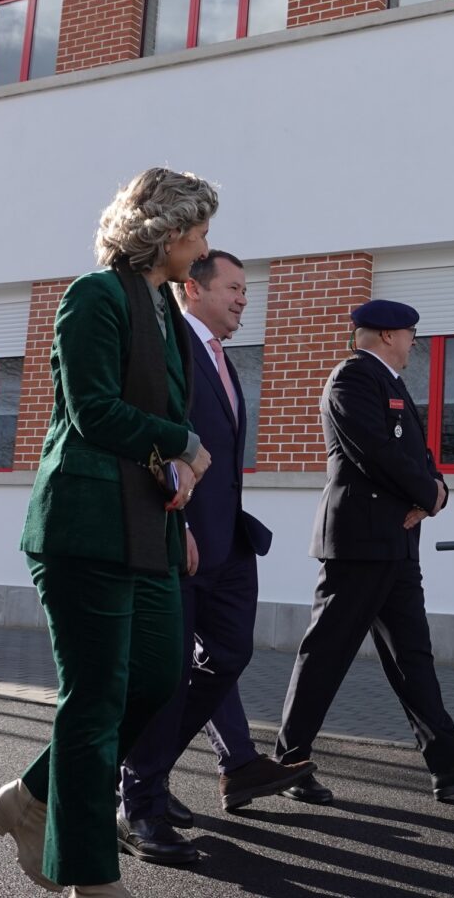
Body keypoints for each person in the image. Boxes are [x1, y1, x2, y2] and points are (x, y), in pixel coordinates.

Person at [0, 167, 217, 898]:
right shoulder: (94, 296)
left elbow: (152, 424)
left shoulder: (165, 308)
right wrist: (184, 442)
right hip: (84, 524)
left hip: (147, 524)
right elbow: (92, 411)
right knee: (95, 701)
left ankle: (32, 797)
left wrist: (179, 502)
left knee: (156, 677)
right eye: (198, 232)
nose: (205, 247)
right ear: (166, 233)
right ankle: (89, 878)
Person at [117, 250, 314, 863]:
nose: (243, 299)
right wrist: (174, 517)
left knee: (229, 653)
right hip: (181, 539)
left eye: (246, 290)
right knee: (168, 674)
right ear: (194, 290)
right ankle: (140, 804)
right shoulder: (170, 346)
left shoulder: (223, 357)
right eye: (233, 287)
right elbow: (152, 434)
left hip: (228, 542)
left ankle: (145, 773)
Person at [273, 299, 454, 804]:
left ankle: (449, 762)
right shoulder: (352, 378)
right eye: (409, 334)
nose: (413, 343)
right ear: (386, 335)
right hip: (359, 543)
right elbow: (375, 453)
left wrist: (437, 492)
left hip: (396, 541)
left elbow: (417, 454)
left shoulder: (391, 382)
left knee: (412, 655)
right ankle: (289, 763)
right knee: (326, 654)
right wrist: (426, 492)